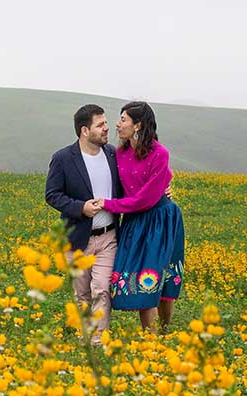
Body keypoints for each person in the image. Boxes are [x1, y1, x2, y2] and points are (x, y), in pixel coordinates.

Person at [95, 101, 185, 333]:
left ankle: (161, 333)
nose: (117, 124)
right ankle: (152, 344)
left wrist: (107, 205)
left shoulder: (159, 153)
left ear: (138, 125)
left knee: (159, 282)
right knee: (144, 281)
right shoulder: (120, 153)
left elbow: (145, 199)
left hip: (160, 220)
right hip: (135, 221)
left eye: (123, 119)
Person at [45, 104, 123, 344]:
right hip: (78, 237)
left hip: (108, 236)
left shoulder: (112, 154)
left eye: (106, 123)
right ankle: (85, 336)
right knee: (82, 293)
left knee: (102, 288)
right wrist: (81, 208)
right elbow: (52, 194)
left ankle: (98, 341)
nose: (107, 128)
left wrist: (162, 190)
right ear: (84, 130)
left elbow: (133, 184)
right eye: (100, 125)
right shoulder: (63, 158)